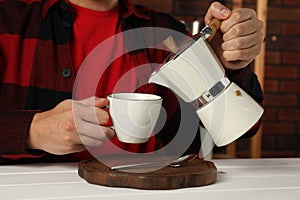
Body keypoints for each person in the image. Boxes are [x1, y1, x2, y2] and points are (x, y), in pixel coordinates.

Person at [0, 0, 264, 164]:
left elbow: (245, 127)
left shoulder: (165, 31)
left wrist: (225, 66)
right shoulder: (9, 21)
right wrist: (32, 131)